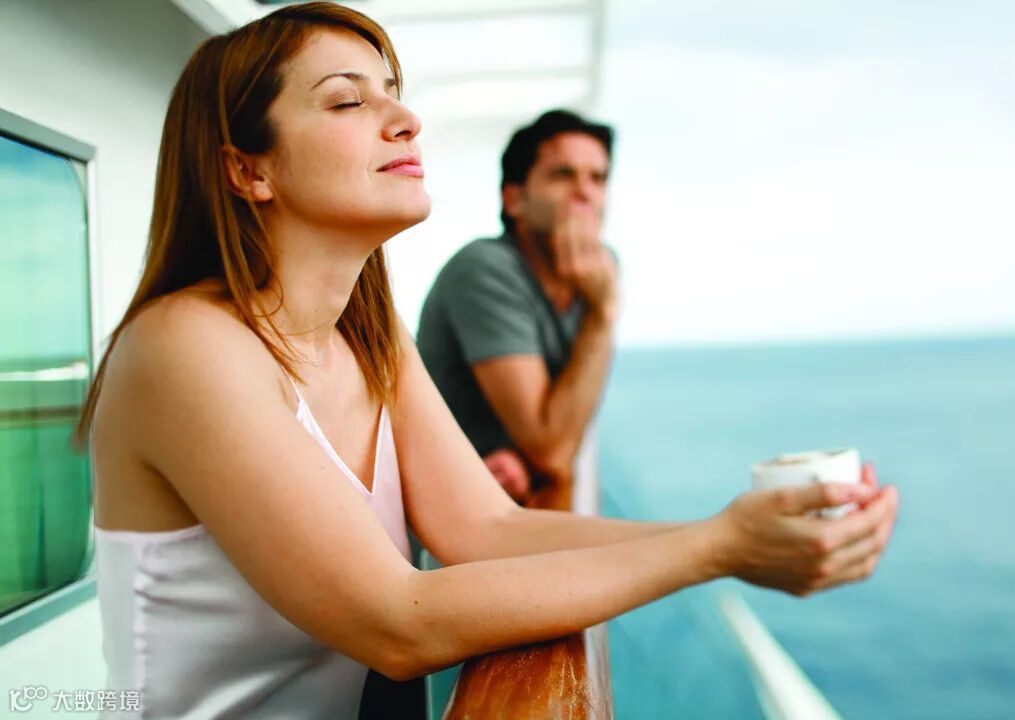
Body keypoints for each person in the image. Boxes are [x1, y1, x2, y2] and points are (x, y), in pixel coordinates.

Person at [80, 4, 899, 718]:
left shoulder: (369, 333)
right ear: (247, 169)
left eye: (393, 92)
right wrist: (721, 548)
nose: (405, 120)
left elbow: (489, 529)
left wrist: (745, 533)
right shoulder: (183, 347)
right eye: (348, 101)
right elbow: (398, 622)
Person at [417, 110, 616, 501]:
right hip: (452, 507)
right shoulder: (485, 268)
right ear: (514, 199)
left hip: (528, 501)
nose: (584, 192)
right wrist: (602, 315)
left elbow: (565, 444)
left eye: (598, 178)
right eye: (562, 175)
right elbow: (552, 452)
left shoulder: (600, 270)